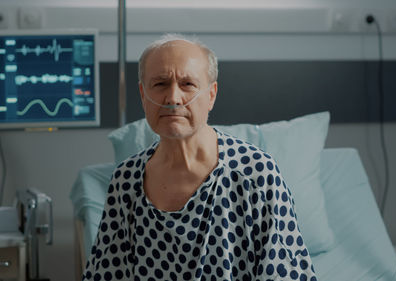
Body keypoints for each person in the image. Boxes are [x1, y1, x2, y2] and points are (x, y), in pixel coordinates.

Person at [82, 34, 317, 281]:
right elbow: (107, 273)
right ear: (143, 94)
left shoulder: (255, 175)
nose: (173, 98)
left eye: (188, 84)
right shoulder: (126, 181)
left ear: (211, 95)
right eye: (160, 84)